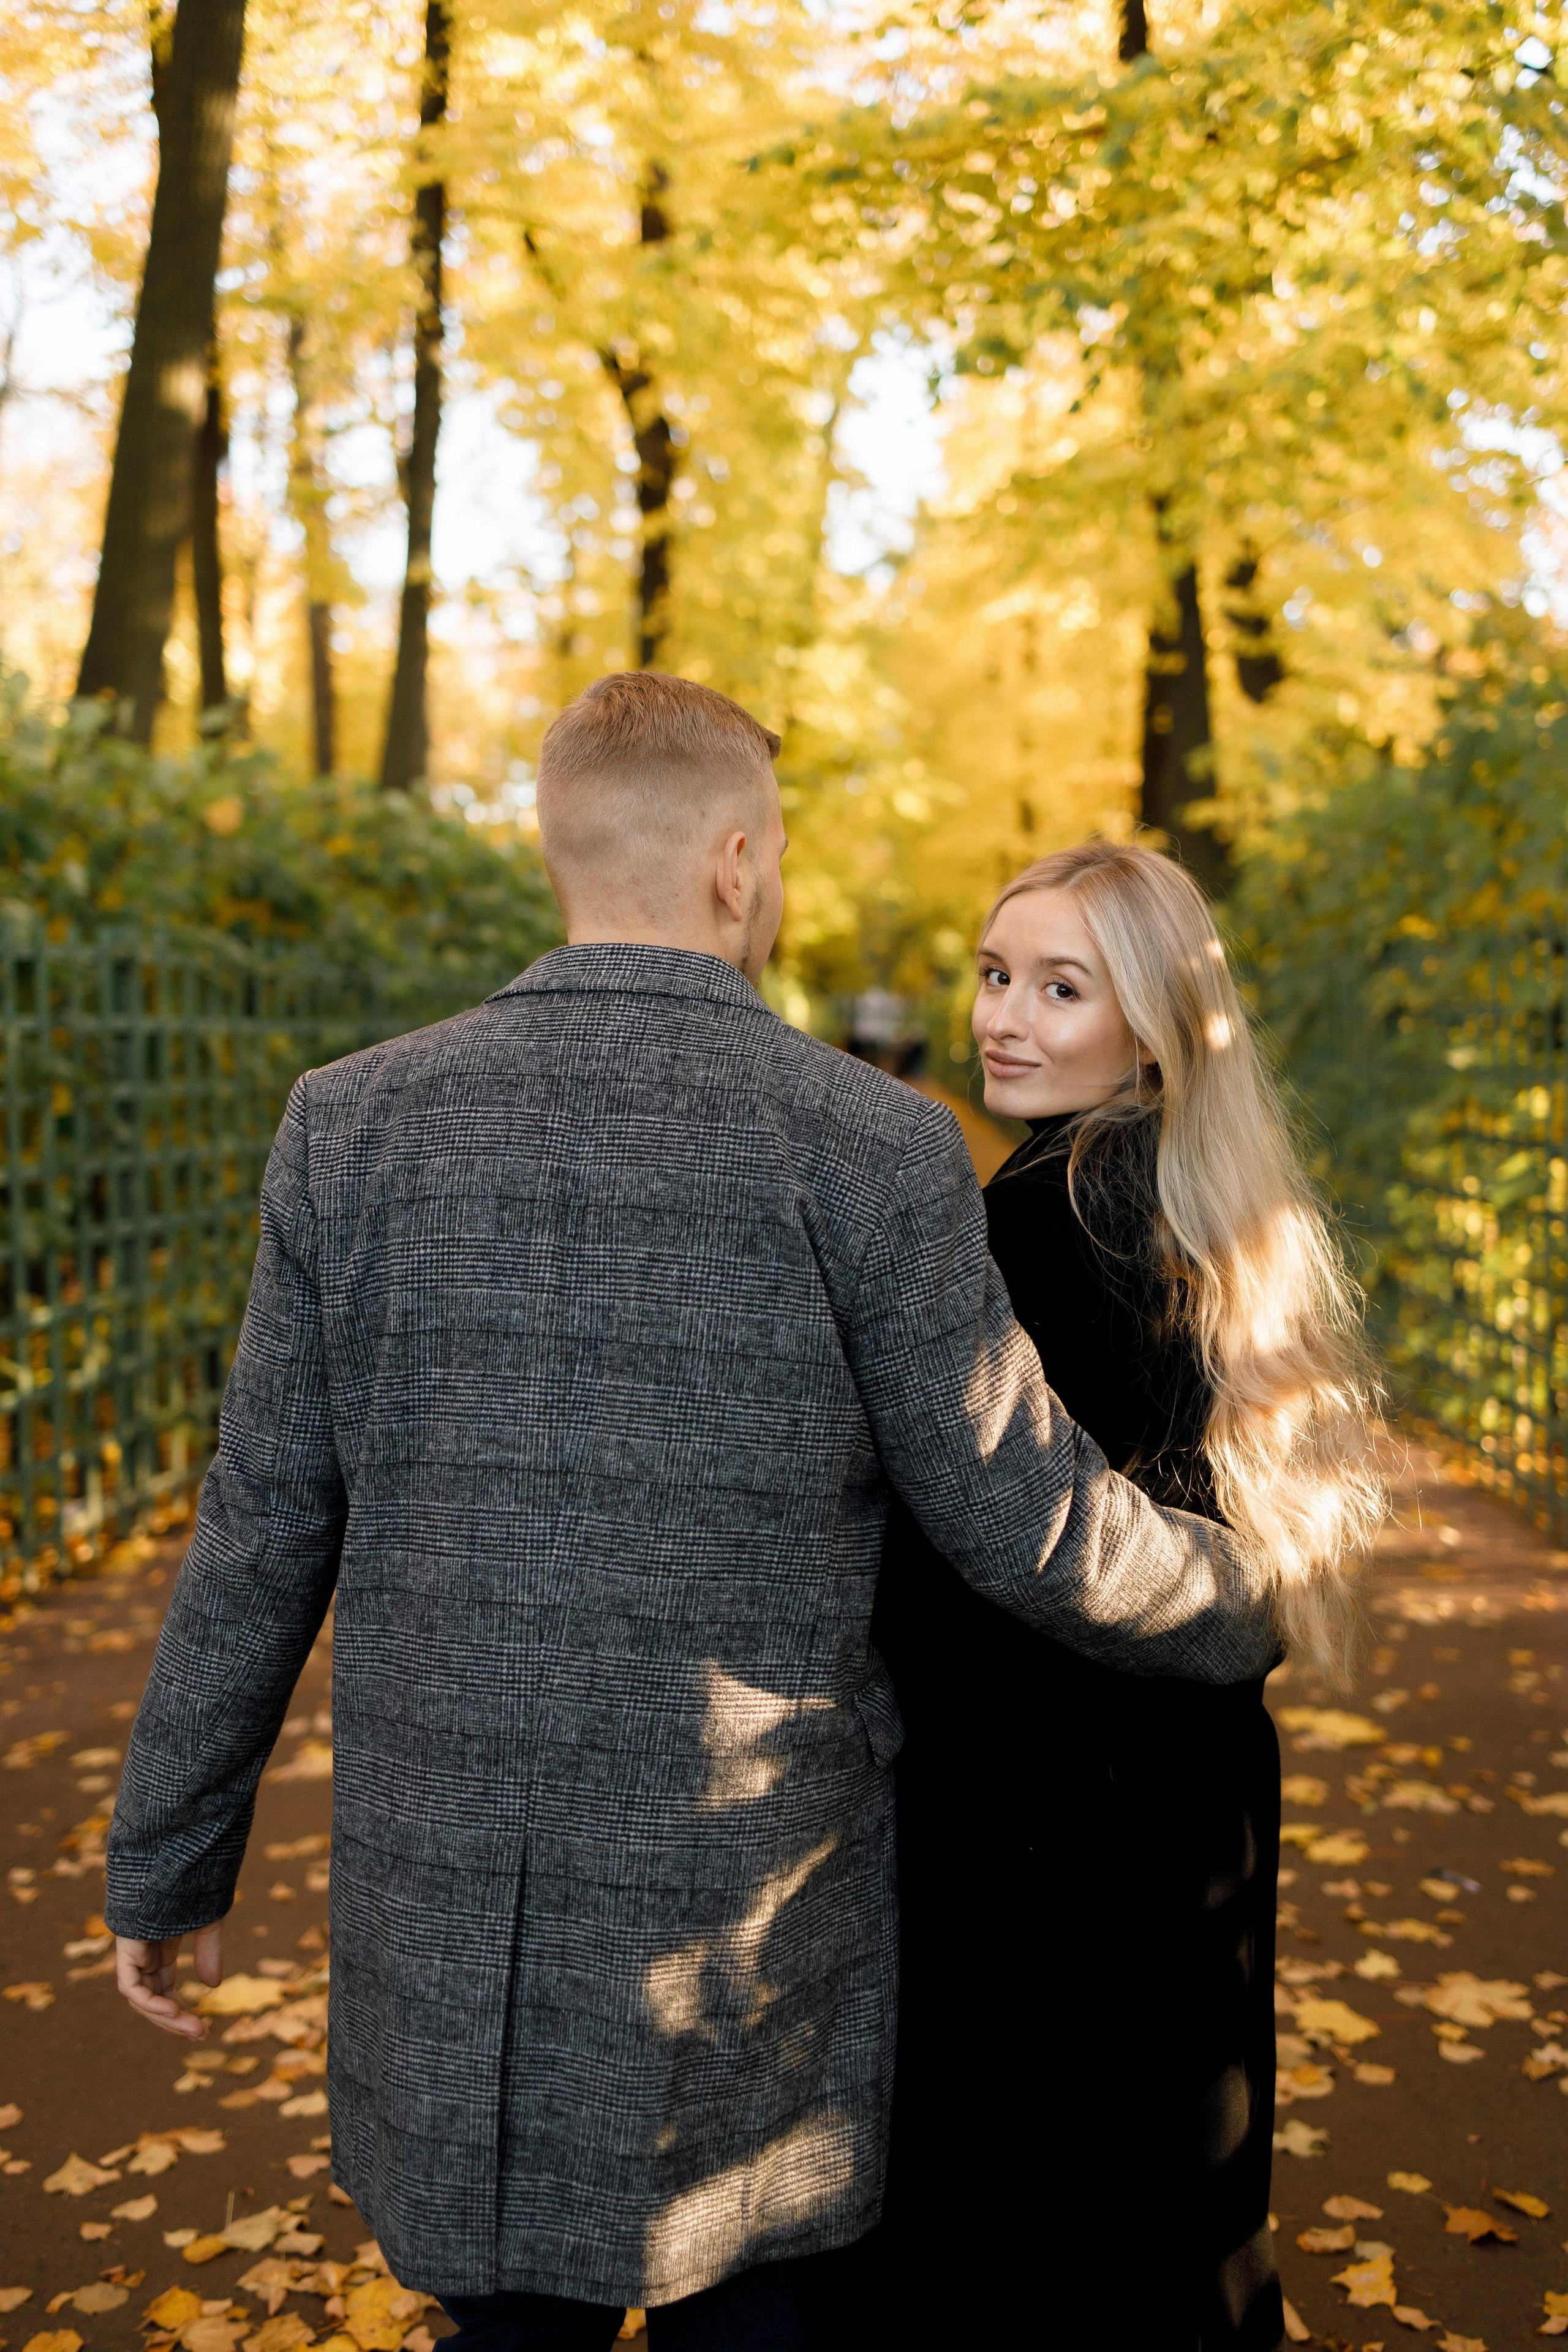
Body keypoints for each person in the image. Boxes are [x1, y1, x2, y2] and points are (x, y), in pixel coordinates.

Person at [105, 677, 1278, 2352]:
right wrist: (1250, 1595)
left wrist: (168, 1861)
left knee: (500, 2330)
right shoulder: (874, 1149)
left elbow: (263, 1526)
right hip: (754, 1944)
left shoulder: (346, 1127)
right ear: (736, 865)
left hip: (462, 1942)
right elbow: (1027, 1519)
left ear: (553, 845)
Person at [872, 841, 1384, 2352]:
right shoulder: (1196, 1202)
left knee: (1028, 2229)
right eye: (991, 973)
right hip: (1183, 1780)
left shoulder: (1041, 1222)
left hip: (1045, 1806)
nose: (1002, 1018)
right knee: (1173, 2206)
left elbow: (987, 1542)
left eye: (1059, 987)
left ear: (1150, 1026)